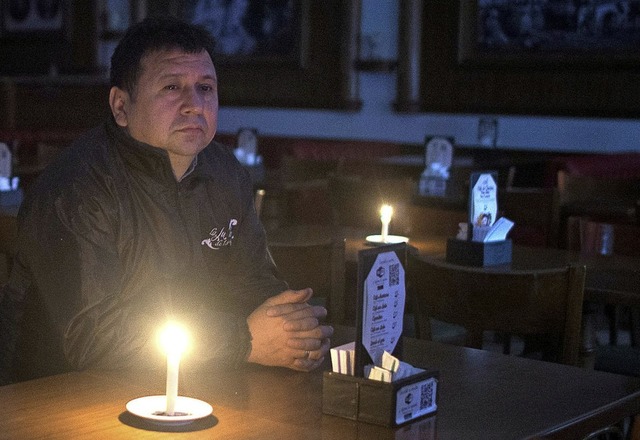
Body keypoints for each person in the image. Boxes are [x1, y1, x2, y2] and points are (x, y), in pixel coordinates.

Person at [0, 15, 332, 384]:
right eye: (172, 87)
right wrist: (243, 340)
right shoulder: (78, 189)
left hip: (188, 378)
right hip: (54, 398)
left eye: (205, 87)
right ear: (121, 107)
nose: (194, 105)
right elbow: (92, 337)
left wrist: (291, 328)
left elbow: (252, 281)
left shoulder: (225, 172)